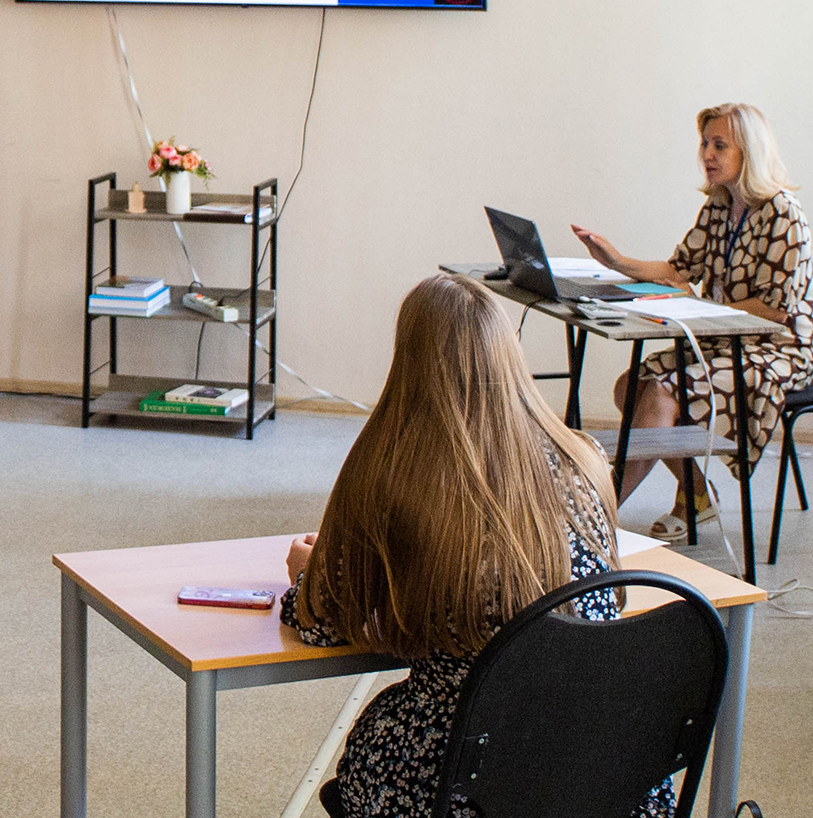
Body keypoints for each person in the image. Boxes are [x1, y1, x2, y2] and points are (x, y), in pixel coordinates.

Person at [281, 273, 672, 818]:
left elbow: (322, 625)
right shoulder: (583, 457)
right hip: (608, 777)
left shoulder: (394, 474)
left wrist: (308, 574)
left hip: (468, 779)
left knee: (385, 737)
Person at [571, 102, 813, 539]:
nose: (707, 154)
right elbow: (679, 269)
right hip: (724, 339)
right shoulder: (719, 206)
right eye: (705, 143)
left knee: (662, 396)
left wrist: (706, 309)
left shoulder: (784, 214)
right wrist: (615, 260)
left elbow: (775, 309)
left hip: (779, 349)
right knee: (630, 388)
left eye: (719, 145)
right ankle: (698, 495)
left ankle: (594, 518)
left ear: (749, 151)